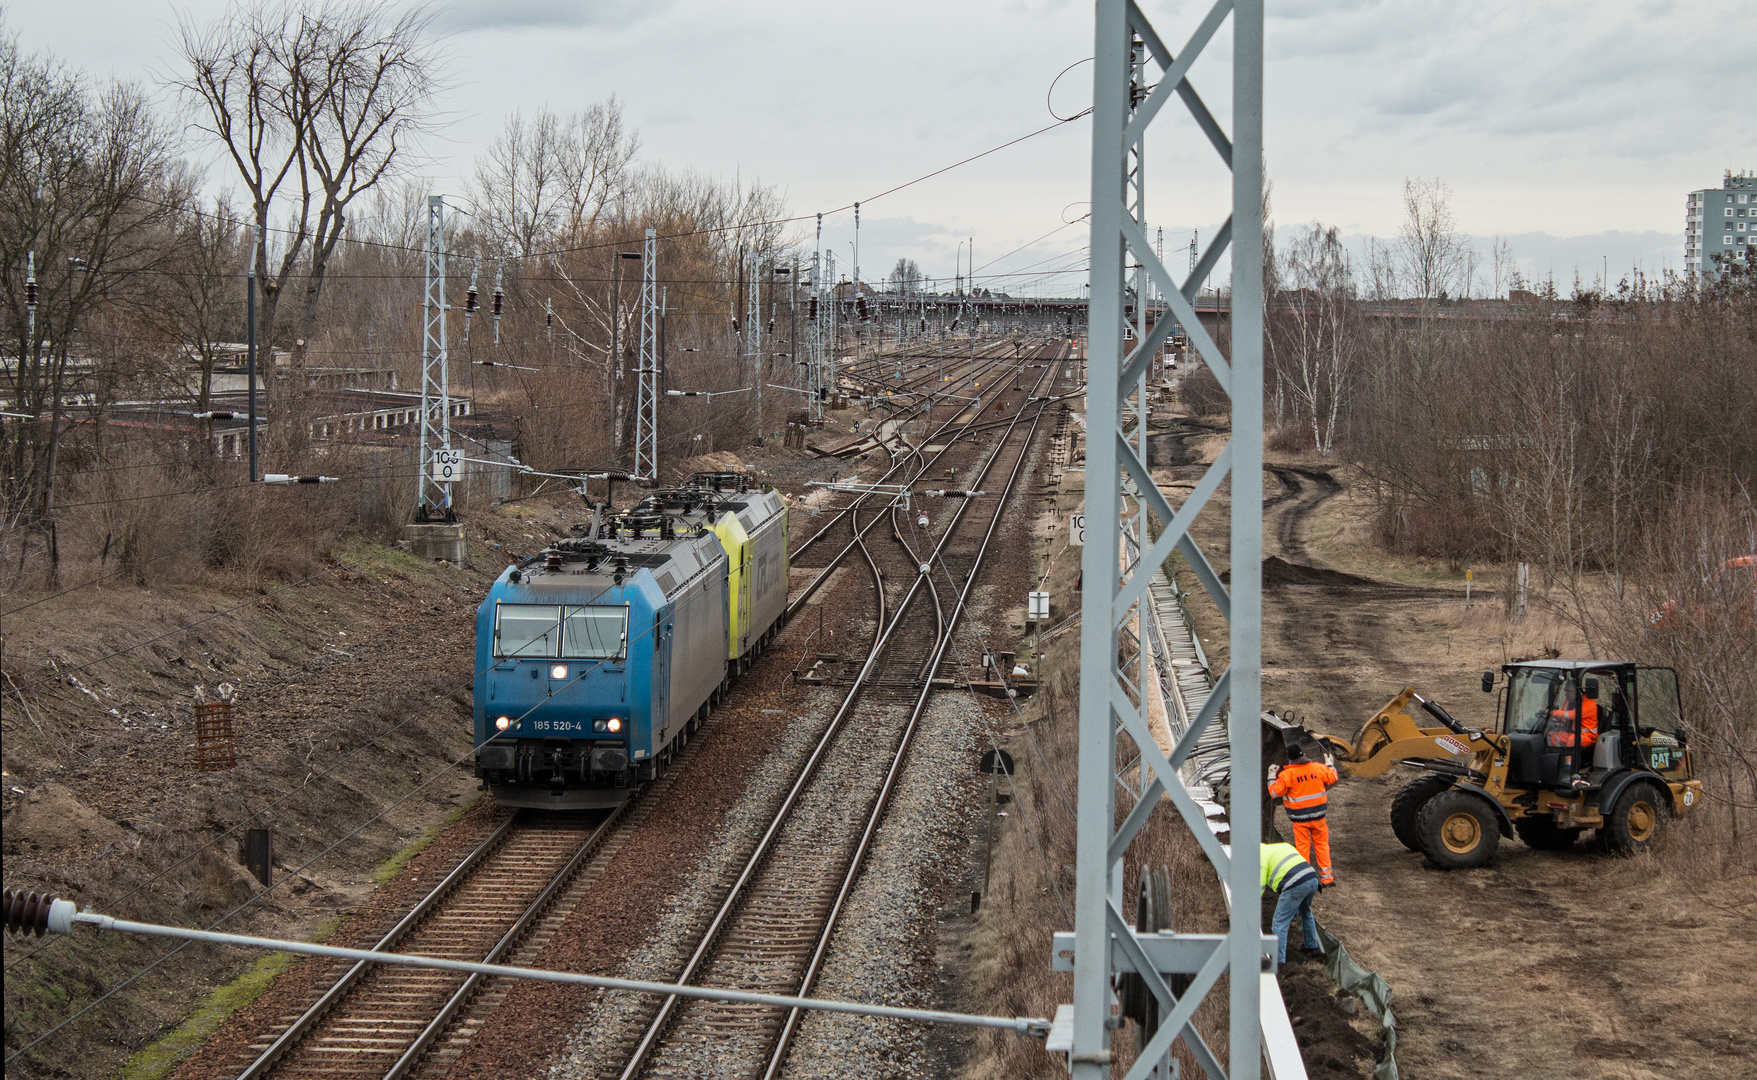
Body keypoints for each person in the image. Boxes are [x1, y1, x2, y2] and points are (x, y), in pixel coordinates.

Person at [1268, 743, 1340, 885]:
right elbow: (1332, 777)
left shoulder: (1286, 775)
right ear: (1304, 755)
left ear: (1289, 759)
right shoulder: (1318, 769)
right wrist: (1330, 763)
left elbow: (1274, 792)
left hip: (1299, 820)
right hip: (1318, 817)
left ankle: (1304, 878)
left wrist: (1271, 776)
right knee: (1322, 845)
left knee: (1302, 847)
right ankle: (1327, 878)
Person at [1261, 841, 1321, 964]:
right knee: (1305, 912)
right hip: (1312, 878)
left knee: (1280, 922)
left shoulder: (1260, 856)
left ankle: (1278, 961)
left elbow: (1259, 886)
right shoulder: (1281, 846)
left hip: (1295, 884)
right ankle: (1312, 947)